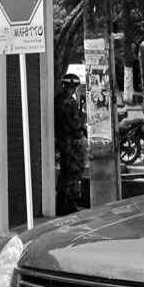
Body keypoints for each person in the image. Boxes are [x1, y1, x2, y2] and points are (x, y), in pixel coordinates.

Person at [54, 74, 86, 215]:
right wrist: (81, 129)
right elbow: (74, 123)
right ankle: (68, 204)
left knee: (66, 172)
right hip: (70, 142)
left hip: (63, 141)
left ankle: (63, 203)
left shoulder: (58, 99)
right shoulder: (68, 102)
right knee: (73, 172)